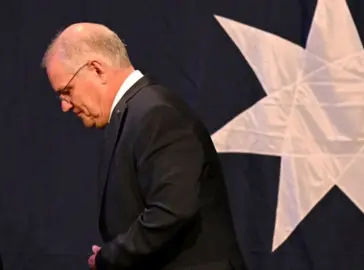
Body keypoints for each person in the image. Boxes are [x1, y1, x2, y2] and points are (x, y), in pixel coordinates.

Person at [42, 22, 245, 270]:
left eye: (67, 91)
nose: (65, 105)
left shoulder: (156, 114)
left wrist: (111, 257)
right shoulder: (134, 115)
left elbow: (171, 210)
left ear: (97, 70)